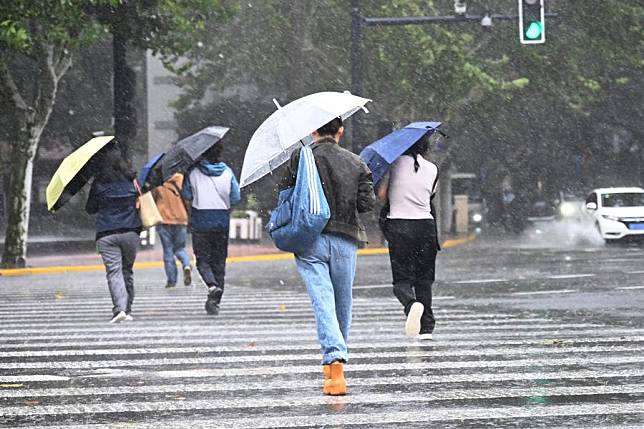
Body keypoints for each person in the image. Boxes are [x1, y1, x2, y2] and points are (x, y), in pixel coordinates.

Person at [281, 117, 375, 396]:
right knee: (342, 302)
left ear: (313, 130)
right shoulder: (357, 162)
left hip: (311, 239)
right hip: (346, 238)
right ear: (340, 131)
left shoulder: (302, 157)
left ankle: (333, 362)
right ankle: (336, 365)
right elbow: (366, 204)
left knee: (323, 300)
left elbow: (285, 194)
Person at [377, 134, 440, 340]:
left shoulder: (393, 165)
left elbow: (382, 196)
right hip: (426, 227)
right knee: (424, 280)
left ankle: (411, 304)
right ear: (425, 148)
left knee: (402, 281)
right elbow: (429, 195)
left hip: (400, 226)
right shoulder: (433, 169)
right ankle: (426, 327)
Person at [181, 144, 240, 315]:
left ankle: (212, 285)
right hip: (222, 220)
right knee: (219, 261)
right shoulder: (227, 171)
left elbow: (186, 195)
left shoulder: (193, 172)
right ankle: (215, 302)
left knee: (202, 260)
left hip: (201, 221)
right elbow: (235, 197)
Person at [86, 147, 142, 324]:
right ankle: (128, 308)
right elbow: (140, 200)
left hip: (107, 233)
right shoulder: (132, 180)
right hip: (130, 232)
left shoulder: (99, 183)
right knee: (127, 270)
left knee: (114, 272)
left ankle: (120, 309)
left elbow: (90, 209)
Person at [151, 173, 192, 288]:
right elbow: (188, 198)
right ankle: (186, 264)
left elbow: (151, 201)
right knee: (180, 248)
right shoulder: (181, 180)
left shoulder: (158, 183)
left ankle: (171, 280)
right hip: (181, 218)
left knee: (168, 250)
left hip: (165, 220)